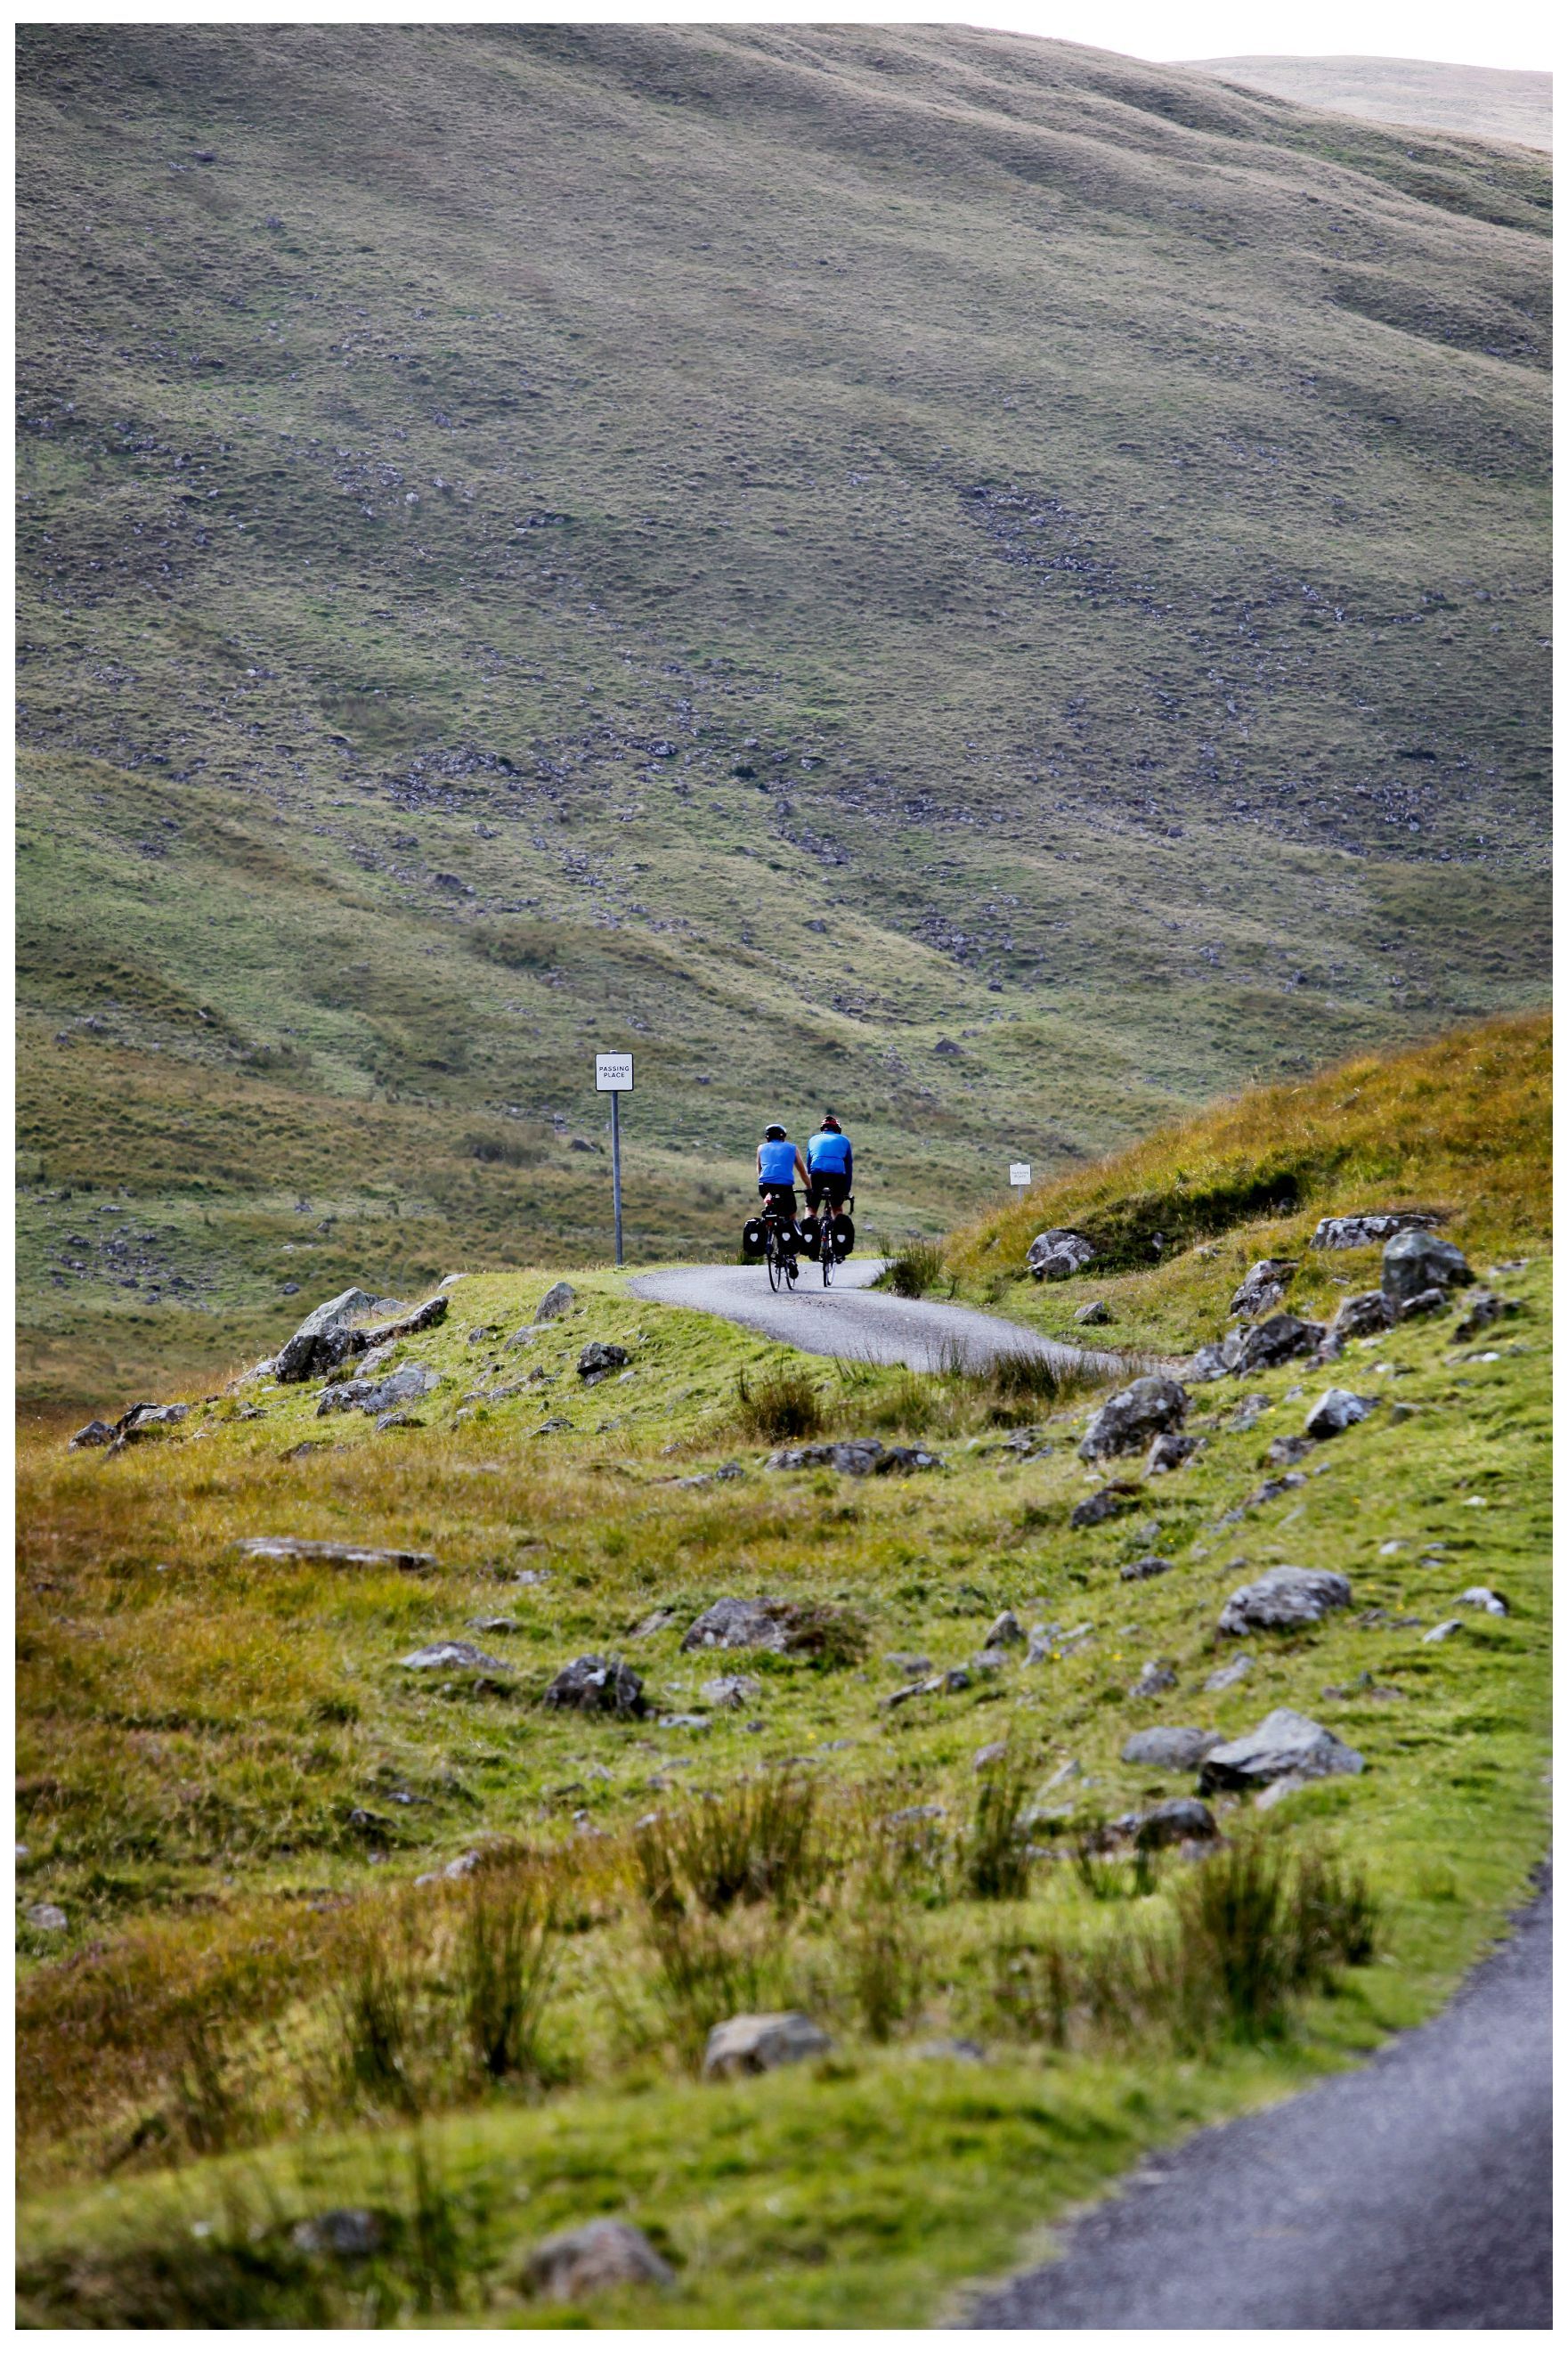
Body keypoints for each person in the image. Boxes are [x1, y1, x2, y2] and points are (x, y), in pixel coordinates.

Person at [756, 1123, 808, 1259]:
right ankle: (791, 1251)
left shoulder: (761, 1148)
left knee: (771, 1209)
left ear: (767, 1138)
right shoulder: (792, 1148)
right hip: (784, 1188)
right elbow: (802, 1173)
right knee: (791, 1216)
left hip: (764, 1185)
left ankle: (769, 1234)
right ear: (783, 1137)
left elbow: (760, 1171)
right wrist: (810, 1187)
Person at [804, 1111, 853, 1230]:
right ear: (837, 1130)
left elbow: (808, 1165)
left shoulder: (813, 1139)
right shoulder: (844, 1140)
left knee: (811, 1208)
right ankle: (838, 1236)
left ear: (823, 1130)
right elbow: (849, 1168)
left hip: (817, 1176)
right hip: (837, 1177)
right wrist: (846, 1190)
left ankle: (807, 1235)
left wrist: (809, 1189)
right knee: (837, 1208)